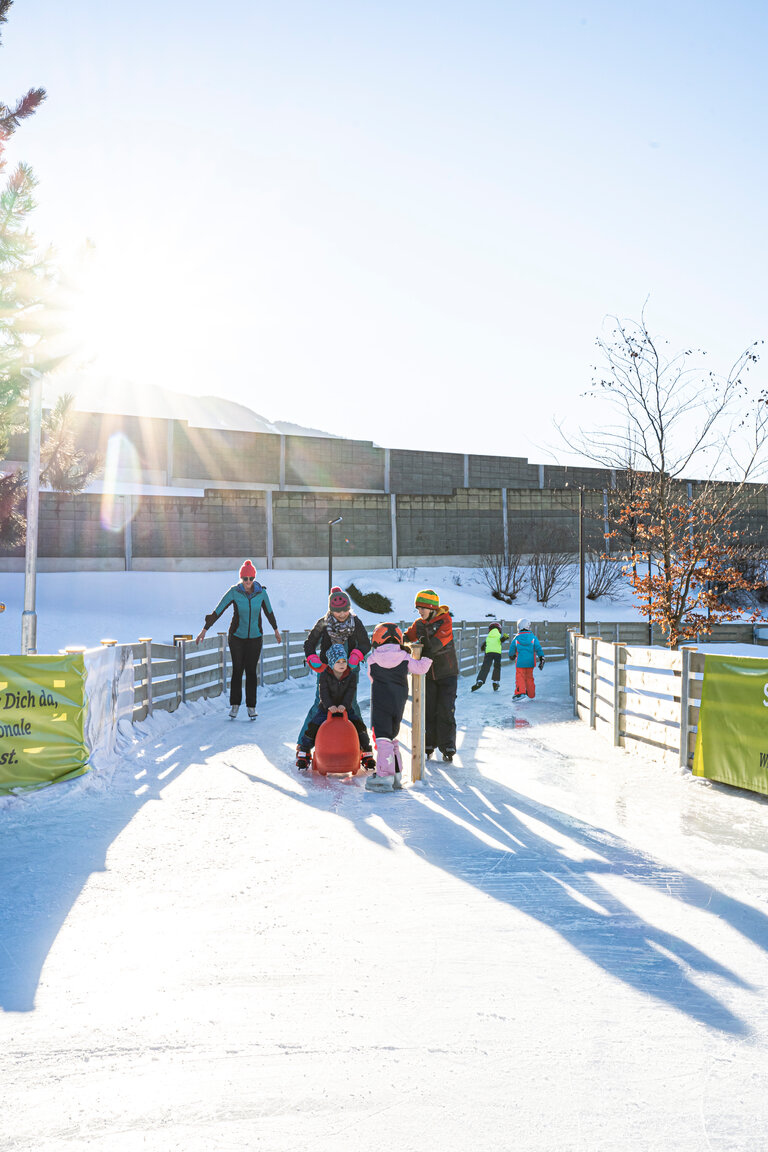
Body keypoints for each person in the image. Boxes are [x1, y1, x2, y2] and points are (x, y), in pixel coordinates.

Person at [196, 560, 281, 719]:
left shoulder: (261, 593)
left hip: (255, 637)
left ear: (254, 578)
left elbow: (269, 612)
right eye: (245, 578)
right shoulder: (234, 592)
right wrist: (204, 630)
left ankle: (251, 706)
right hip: (236, 637)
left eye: (250, 578)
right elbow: (218, 611)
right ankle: (235, 705)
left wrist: (276, 630)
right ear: (241, 578)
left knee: (251, 671)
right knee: (237, 670)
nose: (248, 582)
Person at [365, 623, 432, 793]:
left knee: (382, 738)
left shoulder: (372, 659)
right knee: (392, 736)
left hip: (381, 702)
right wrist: (426, 657)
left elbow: (371, 678)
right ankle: (396, 775)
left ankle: (384, 776)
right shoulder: (404, 657)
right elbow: (421, 668)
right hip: (399, 702)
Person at [295, 644, 374, 771]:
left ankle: (366, 751)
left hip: (346, 708)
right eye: (338, 661)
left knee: (359, 725)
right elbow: (323, 693)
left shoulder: (351, 676)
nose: (342, 664)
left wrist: (345, 705)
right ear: (331, 663)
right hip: (326, 708)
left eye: (344, 661)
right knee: (313, 725)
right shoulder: (325, 675)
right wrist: (329, 706)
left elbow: (350, 692)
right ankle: (304, 751)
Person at [403, 589, 459, 762]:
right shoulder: (418, 624)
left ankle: (447, 746)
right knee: (429, 709)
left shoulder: (445, 621)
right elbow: (406, 637)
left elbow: (435, 645)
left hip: (447, 673)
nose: (420, 612)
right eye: (418, 609)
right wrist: (397, 642)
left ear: (432, 608)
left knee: (445, 709)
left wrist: (415, 647)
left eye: (422, 608)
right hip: (428, 675)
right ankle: (428, 744)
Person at [304, 586, 371, 670]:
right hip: (327, 669)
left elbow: (365, 643)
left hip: (350, 669)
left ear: (349, 608)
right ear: (331, 611)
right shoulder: (323, 623)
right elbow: (310, 643)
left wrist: (356, 655)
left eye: (345, 610)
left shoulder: (355, 622)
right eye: (338, 611)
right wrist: (312, 656)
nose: (342, 614)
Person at [509, 618, 544, 700]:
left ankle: (520, 692)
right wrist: (541, 657)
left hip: (520, 662)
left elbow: (512, 648)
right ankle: (531, 693)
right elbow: (538, 648)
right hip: (530, 662)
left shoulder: (516, 638)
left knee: (520, 677)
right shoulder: (533, 637)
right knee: (529, 677)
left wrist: (512, 655)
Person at [471, 622, 509, 693]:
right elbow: (502, 640)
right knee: (497, 667)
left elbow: (483, 645)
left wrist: (483, 647)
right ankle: (495, 682)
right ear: (499, 629)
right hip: (497, 653)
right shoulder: (499, 635)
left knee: (485, 667)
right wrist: (505, 637)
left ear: (490, 630)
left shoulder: (488, 636)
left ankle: (480, 680)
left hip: (488, 653)